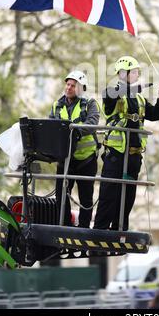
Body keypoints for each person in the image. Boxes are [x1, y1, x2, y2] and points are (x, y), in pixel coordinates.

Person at [94, 56, 159, 231]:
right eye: (135, 71)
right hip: (116, 154)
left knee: (128, 195)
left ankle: (120, 228)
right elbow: (109, 96)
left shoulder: (139, 99)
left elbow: (154, 114)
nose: (138, 74)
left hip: (133, 155)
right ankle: (100, 229)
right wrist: (129, 88)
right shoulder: (113, 92)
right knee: (109, 193)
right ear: (124, 74)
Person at [50, 70, 100, 227]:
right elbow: (50, 127)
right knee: (61, 196)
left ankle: (84, 228)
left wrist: (72, 129)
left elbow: (92, 124)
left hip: (86, 159)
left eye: (73, 85)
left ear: (81, 88)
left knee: (86, 198)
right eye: (68, 84)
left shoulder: (90, 104)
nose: (69, 87)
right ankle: (64, 226)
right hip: (65, 160)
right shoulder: (56, 106)